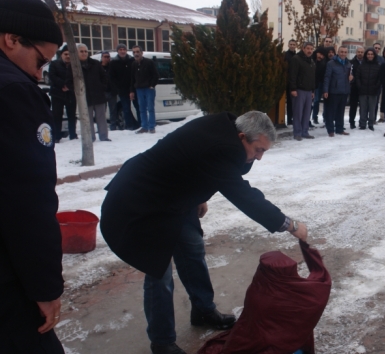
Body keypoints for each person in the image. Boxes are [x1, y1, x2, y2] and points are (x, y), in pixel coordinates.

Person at [100, 111, 308, 354]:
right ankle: (162, 342)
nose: (259, 157)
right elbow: (243, 195)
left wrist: (200, 195)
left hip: (175, 197)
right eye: (258, 150)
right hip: (142, 201)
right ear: (242, 137)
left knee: (192, 248)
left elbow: (197, 161)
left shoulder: (226, 130)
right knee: (160, 273)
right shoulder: (224, 146)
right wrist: (289, 225)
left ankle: (203, 309)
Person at [0, 0, 65, 354]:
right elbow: (27, 201)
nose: (40, 75)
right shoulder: (13, 92)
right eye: (41, 61)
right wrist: (45, 289)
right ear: (11, 39)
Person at [67, 44, 110, 142]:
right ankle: (90, 137)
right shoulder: (73, 66)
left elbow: (104, 77)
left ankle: (104, 136)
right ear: (77, 53)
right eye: (81, 51)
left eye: (85, 51)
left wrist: (102, 87)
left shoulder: (95, 63)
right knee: (87, 119)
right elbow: (69, 81)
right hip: (84, 96)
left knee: (101, 117)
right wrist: (77, 91)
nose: (84, 53)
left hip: (98, 95)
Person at [49, 44, 78, 142]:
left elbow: (77, 78)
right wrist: (63, 85)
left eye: (70, 54)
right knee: (57, 115)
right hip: (57, 93)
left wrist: (69, 86)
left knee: (72, 115)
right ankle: (56, 136)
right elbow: (52, 76)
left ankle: (73, 135)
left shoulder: (75, 65)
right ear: (61, 55)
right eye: (66, 54)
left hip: (70, 93)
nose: (68, 56)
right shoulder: (54, 64)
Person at [288, 41, 316, 141]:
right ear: (303, 48)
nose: (310, 51)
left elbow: (312, 77)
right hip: (299, 90)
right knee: (298, 113)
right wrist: (293, 89)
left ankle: (305, 131)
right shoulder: (296, 59)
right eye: (308, 48)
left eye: (311, 49)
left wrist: (313, 90)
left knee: (307, 113)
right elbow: (292, 75)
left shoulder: (311, 61)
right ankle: (297, 133)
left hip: (309, 91)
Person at [323, 46, 352, 137]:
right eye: (341, 52)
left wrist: (352, 78)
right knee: (330, 112)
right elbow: (327, 77)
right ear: (338, 53)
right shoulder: (331, 63)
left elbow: (349, 78)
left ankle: (339, 129)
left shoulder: (348, 64)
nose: (343, 53)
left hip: (344, 91)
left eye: (345, 52)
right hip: (333, 91)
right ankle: (330, 130)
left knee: (341, 112)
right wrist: (325, 90)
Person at [131, 45, 159, 134]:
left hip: (148, 88)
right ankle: (144, 127)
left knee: (150, 108)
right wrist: (132, 90)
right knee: (141, 109)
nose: (136, 54)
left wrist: (152, 85)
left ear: (141, 53)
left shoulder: (149, 62)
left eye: (137, 52)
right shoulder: (134, 64)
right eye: (134, 52)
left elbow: (156, 75)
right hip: (139, 89)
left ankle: (152, 127)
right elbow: (132, 78)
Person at [109, 43, 138, 130]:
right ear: (117, 51)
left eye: (124, 49)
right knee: (126, 109)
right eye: (120, 49)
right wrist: (118, 88)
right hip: (122, 90)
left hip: (134, 88)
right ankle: (129, 126)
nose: (122, 51)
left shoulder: (132, 60)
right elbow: (111, 77)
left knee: (138, 107)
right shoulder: (113, 62)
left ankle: (141, 124)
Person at [355, 48, 381, 130]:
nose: (370, 56)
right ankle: (362, 124)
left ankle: (371, 123)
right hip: (363, 90)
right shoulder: (361, 66)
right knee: (363, 108)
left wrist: (376, 87)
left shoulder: (378, 66)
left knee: (372, 109)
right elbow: (357, 77)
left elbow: (380, 79)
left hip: (373, 91)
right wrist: (360, 86)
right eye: (368, 54)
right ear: (366, 55)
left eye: (372, 54)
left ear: (374, 55)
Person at [101, 51, 119, 131]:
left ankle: (113, 126)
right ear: (102, 58)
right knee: (101, 111)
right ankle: (102, 127)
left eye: (108, 57)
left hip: (112, 92)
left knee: (113, 110)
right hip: (102, 92)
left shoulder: (112, 66)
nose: (107, 58)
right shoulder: (98, 67)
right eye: (105, 57)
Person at [349, 46, 365, 129]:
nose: (360, 53)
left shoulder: (366, 62)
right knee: (353, 106)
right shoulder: (351, 62)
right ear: (356, 52)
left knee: (363, 106)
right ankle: (352, 122)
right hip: (354, 87)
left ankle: (362, 122)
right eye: (358, 52)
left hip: (363, 87)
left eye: (362, 52)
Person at [312, 48, 327, 124]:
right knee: (315, 101)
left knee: (320, 101)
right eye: (320, 54)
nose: (320, 56)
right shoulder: (312, 60)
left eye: (322, 55)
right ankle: (314, 117)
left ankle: (319, 117)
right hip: (314, 83)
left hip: (321, 83)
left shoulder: (323, 62)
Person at [284, 39, 297, 126]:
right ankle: (289, 119)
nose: (292, 46)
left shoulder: (297, 56)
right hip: (287, 81)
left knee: (294, 102)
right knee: (289, 101)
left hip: (295, 81)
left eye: (293, 44)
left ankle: (292, 118)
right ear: (288, 45)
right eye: (291, 44)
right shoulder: (285, 55)